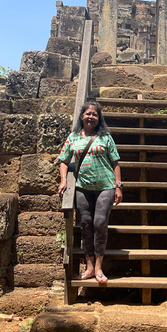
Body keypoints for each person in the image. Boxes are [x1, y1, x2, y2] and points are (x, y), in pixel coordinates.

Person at [57, 101, 122, 284]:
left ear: (99, 118)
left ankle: (99, 266)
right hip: (83, 187)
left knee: (99, 222)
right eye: (88, 114)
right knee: (86, 223)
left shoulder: (106, 138)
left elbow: (115, 162)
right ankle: (89, 266)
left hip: (106, 185)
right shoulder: (73, 138)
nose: (91, 117)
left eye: (94, 114)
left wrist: (118, 186)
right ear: (81, 116)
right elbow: (63, 160)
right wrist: (64, 180)